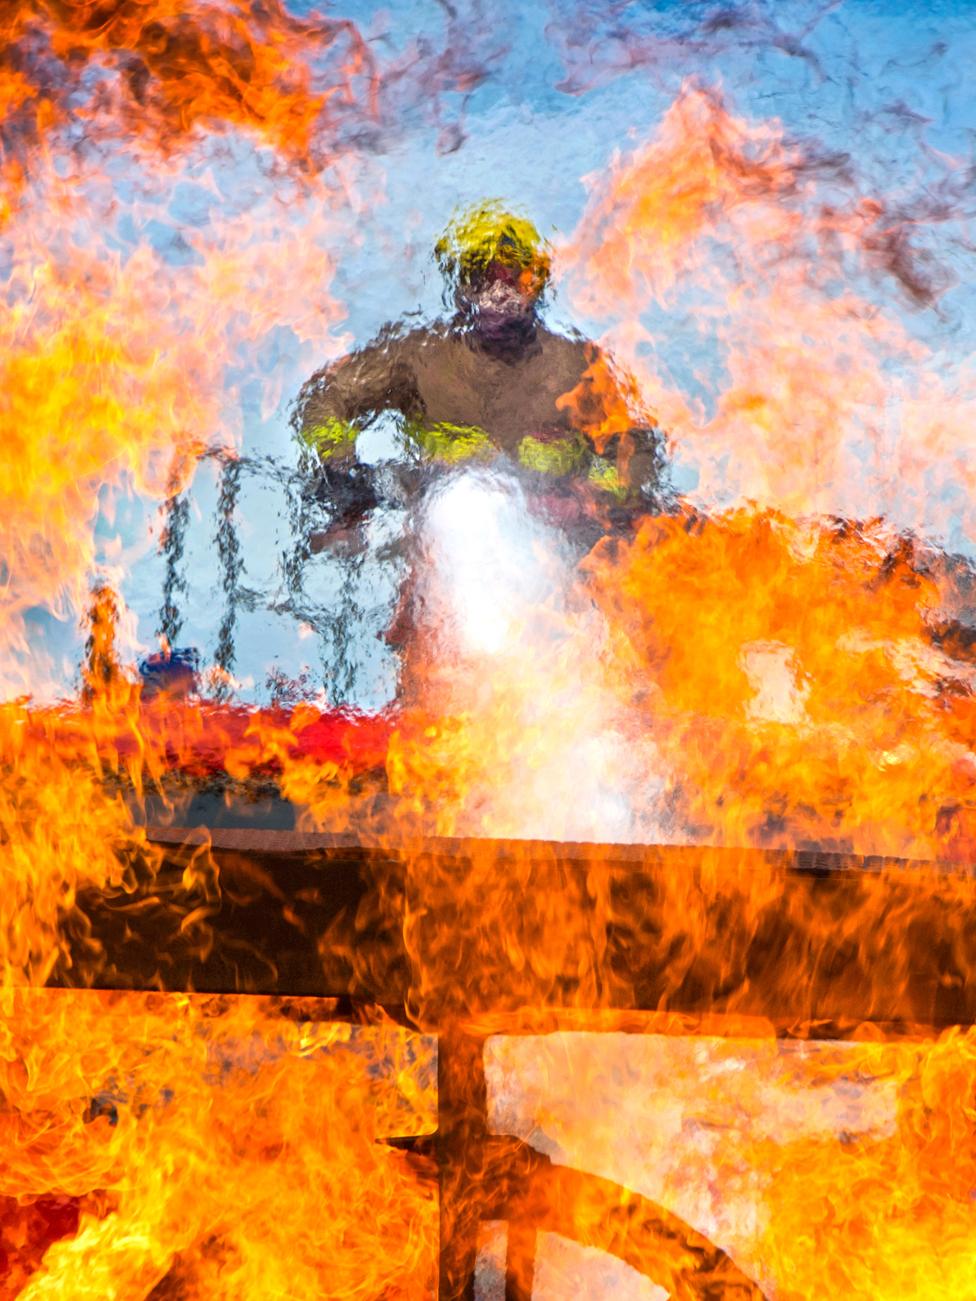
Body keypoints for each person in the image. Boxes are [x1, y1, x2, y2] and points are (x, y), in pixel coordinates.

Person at [292, 201, 667, 553]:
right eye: (482, 277)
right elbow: (325, 397)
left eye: (515, 278)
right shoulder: (419, 358)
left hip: (557, 554)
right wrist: (342, 475)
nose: (499, 293)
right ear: (459, 288)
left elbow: (639, 446)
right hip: (447, 550)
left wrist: (588, 497)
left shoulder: (575, 367)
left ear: (538, 284)